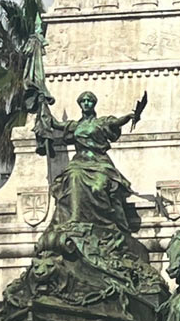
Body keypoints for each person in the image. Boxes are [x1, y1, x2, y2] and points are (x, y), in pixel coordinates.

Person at [45, 90, 141, 238]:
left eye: (89, 100)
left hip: (99, 161)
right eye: (83, 101)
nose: (86, 103)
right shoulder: (75, 125)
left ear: (94, 103)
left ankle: (106, 224)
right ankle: (75, 219)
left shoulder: (101, 122)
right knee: (74, 177)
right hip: (79, 162)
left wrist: (128, 117)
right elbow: (55, 124)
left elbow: (116, 122)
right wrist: (41, 105)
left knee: (99, 186)